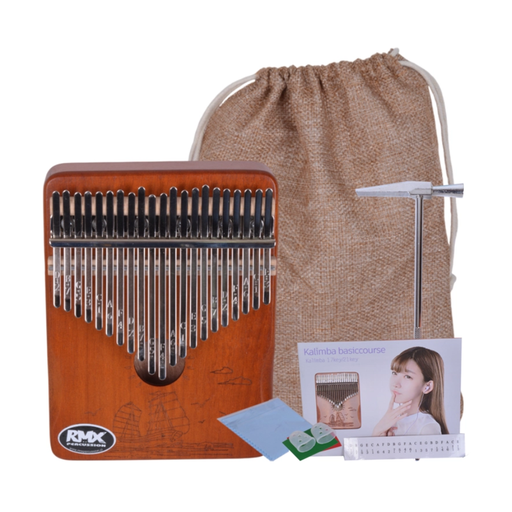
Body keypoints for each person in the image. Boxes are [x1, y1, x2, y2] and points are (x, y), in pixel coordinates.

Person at [372, 346, 449, 436]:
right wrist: (377, 432)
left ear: (427, 386)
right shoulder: (390, 423)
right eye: (394, 373)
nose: (396, 384)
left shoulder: (428, 427)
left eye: (407, 376)